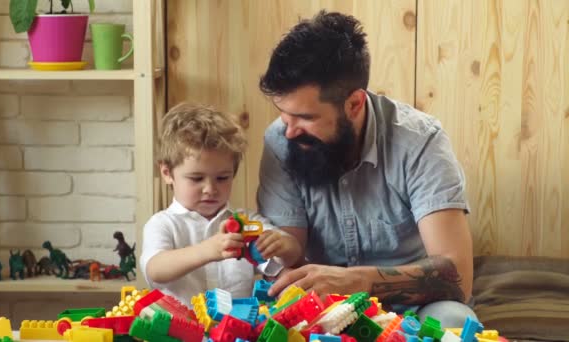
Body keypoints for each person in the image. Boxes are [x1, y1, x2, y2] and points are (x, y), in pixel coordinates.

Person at [257, 10, 476, 327]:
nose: (289, 130)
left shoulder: (420, 142)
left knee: (453, 322)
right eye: (283, 114)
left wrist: (355, 281)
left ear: (355, 104)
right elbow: (288, 255)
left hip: (417, 307)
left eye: (306, 117)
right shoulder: (280, 140)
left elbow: (458, 276)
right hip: (322, 305)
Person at [140, 103, 302, 306]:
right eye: (196, 178)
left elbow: (291, 254)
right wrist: (207, 251)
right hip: (180, 332)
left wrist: (283, 245)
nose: (210, 189)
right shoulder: (162, 224)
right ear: (167, 173)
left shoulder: (247, 221)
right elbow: (155, 269)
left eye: (222, 178)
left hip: (237, 330)